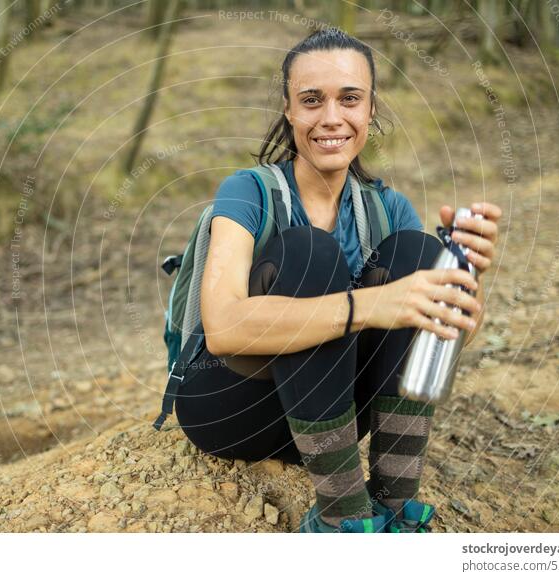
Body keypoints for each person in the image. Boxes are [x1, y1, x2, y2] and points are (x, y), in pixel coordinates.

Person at [174, 28, 502, 533]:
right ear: (288, 109)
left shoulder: (387, 207)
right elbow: (222, 327)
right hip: (234, 407)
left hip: (339, 417)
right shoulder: (249, 192)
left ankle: (395, 508)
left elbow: (420, 351)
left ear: (371, 109)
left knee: (421, 253)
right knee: (310, 253)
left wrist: (459, 303)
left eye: (350, 98)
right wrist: (370, 305)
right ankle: (342, 520)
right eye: (312, 100)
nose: (332, 117)